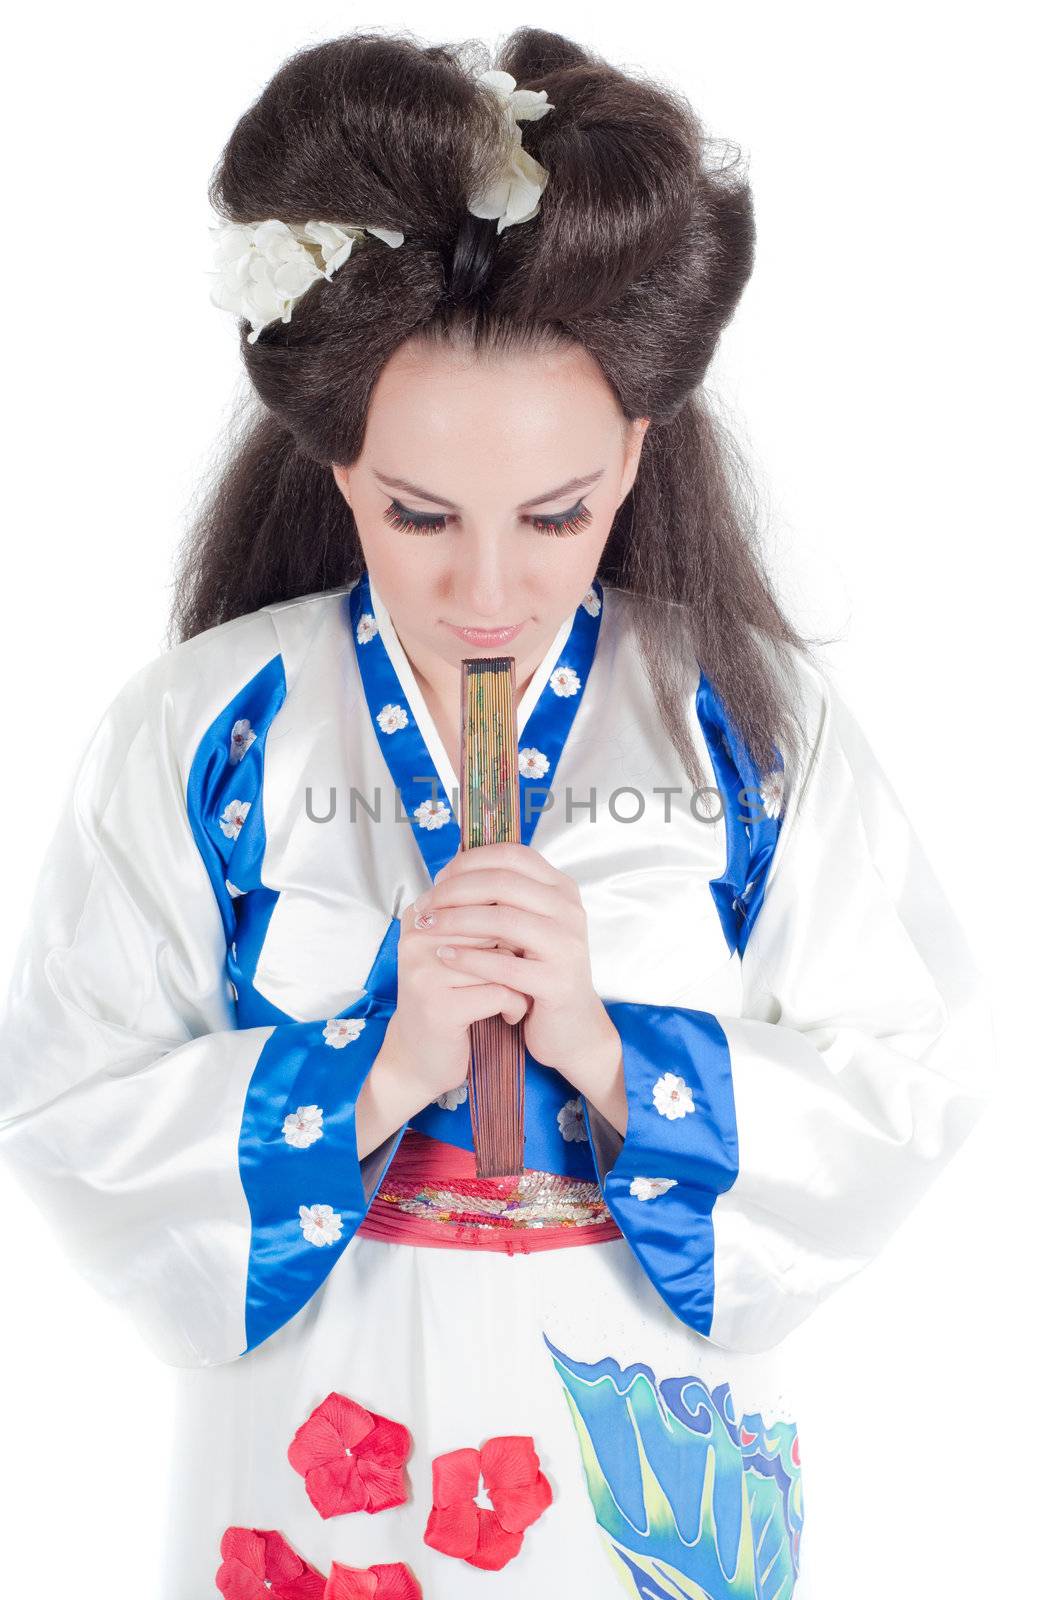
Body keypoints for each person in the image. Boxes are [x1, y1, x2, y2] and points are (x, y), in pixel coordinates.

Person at [0, 26, 992, 1600]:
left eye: (556, 514)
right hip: (328, 1423)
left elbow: (908, 1085)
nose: (486, 588)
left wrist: (608, 1044)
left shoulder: (745, 719)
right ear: (336, 465)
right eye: (416, 513)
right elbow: (65, 1115)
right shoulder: (206, 726)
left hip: (643, 1428)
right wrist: (378, 1064)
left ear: (635, 451)